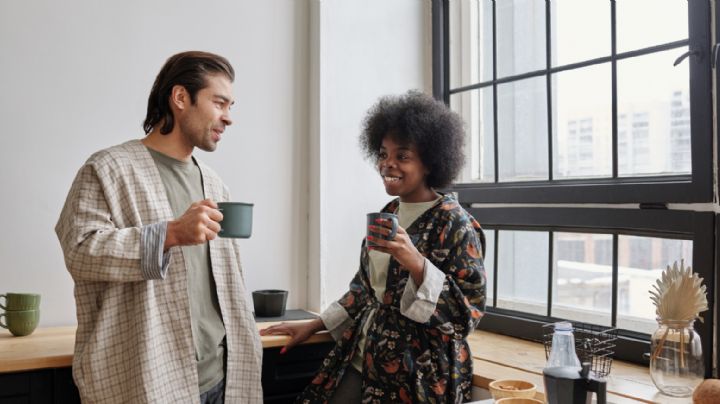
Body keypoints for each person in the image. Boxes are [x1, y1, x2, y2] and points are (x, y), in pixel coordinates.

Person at [55, 51, 262, 403]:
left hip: (221, 378)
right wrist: (170, 234)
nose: (229, 118)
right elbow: (80, 251)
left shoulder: (212, 183)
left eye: (231, 107)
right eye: (220, 103)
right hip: (148, 379)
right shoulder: (108, 168)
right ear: (181, 98)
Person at [261, 90, 486, 403]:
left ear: (430, 163)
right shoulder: (389, 214)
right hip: (364, 355)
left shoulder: (456, 224)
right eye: (383, 154)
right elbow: (364, 290)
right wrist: (312, 326)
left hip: (419, 374)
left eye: (402, 156)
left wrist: (417, 264)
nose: (387, 164)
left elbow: (467, 316)